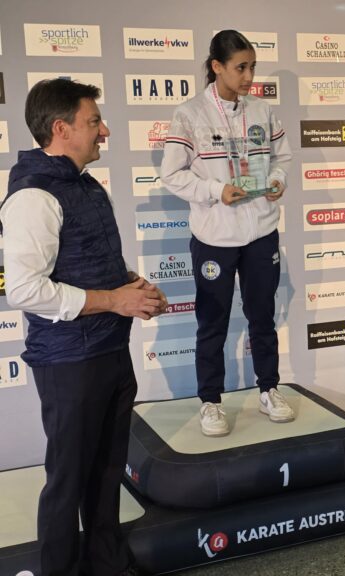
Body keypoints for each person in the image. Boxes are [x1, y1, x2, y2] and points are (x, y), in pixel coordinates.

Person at [0, 78, 167, 576]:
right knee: (68, 481)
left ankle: (107, 565)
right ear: (61, 129)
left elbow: (89, 261)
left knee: (106, 473)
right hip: (68, 363)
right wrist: (114, 299)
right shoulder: (33, 196)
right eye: (94, 122)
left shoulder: (86, 185)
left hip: (109, 350)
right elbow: (24, 290)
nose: (105, 131)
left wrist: (133, 287)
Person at [161, 30, 293, 436]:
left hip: (261, 232)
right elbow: (172, 175)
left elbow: (282, 158)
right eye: (241, 67)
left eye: (252, 67)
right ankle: (210, 401)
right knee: (212, 321)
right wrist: (216, 190)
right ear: (217, 67)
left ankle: (269, 389)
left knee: (262, 316)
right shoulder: (190, 114)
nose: (249, 76)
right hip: (214, 237)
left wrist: (276, 180)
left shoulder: (263, 110)